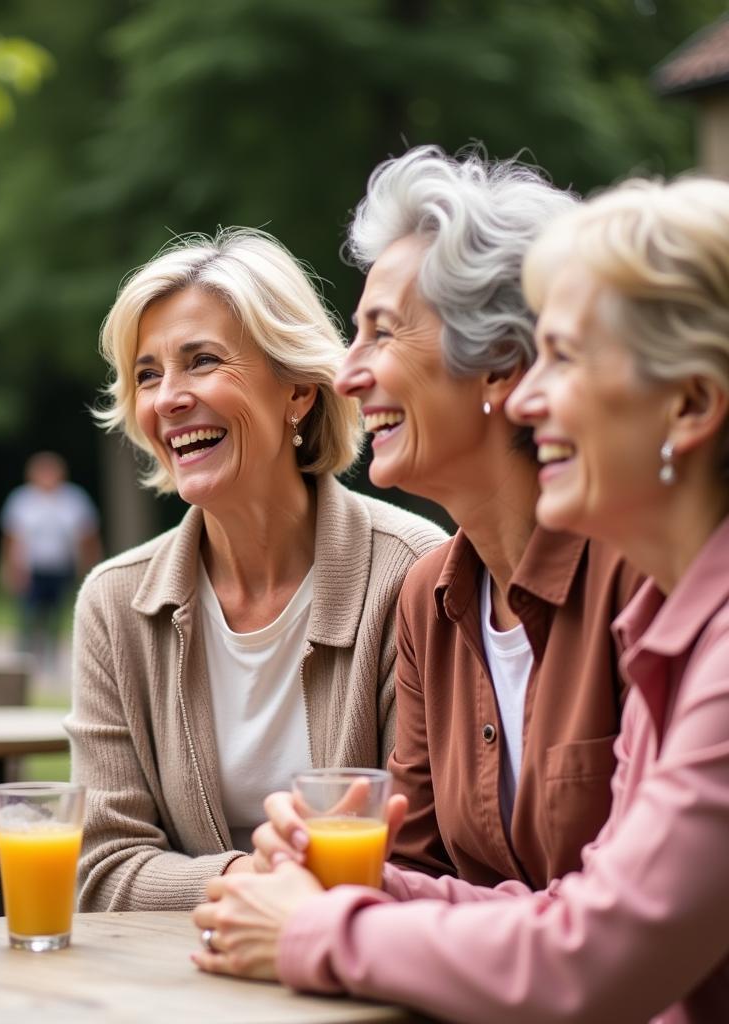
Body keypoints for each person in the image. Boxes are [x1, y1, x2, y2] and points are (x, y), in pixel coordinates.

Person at [193, 175, 729, 1022]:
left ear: (692, 404)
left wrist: (322, 928)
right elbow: (562, 912)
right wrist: (352, 884)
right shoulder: (664, 616)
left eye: (565, 357)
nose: (531, 395)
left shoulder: (669, 609)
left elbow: (593, 955)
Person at [254, 147, 642, 891]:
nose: (345, 372)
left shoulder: (639, 575)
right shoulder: (428, 597)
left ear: (500, 359)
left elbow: (620, 923)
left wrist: (342, 920)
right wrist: (321, 875)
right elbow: (418, 863)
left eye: (383, 331)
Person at [67, 228, 445, 912]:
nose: (168, 398)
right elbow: (101, 868)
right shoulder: (114, 602)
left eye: (202, 361)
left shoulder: (410, 570)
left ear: (298, 391)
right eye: (148, 374)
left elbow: (419, 851)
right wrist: (247, 875)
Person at [0, 451, 102, 668]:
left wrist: (89, 564)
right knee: (28, 613)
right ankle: (24, 658)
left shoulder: (74, 500)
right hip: (32, 568)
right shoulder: (22, 500)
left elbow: (87, 535)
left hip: (61, 567)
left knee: (56, 614)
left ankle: (50, 658)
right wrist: (10, 567)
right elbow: (11, 538)